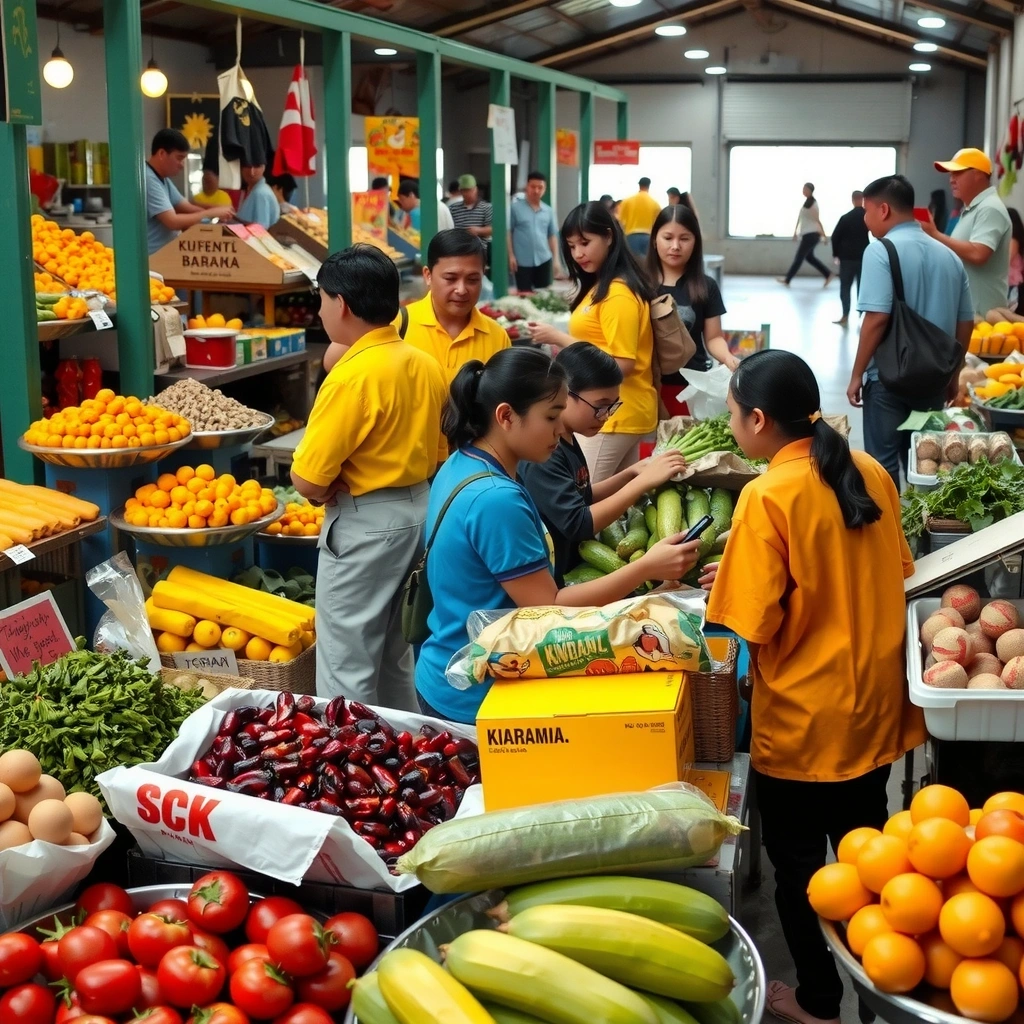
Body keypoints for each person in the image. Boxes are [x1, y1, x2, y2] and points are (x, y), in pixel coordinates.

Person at [706, 348, 925, 1024]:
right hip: (874, 710)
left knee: (801, 873)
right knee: (868, 857)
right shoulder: (866, 471)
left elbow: (751, 622)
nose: (734, 426)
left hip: (805, 721)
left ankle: (819, 1001)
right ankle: (887, 986)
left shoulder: (766, 495)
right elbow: (894, 568)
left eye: (735, 415)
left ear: (759, 420)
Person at [414, 347, 701, 723]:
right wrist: (646, 567)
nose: (559, 428)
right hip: (477, 693)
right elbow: (549, 606)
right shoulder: (496, 499)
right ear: (506, 416)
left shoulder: (464, 462)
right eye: (551, 416)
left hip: (454, 665)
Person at [290, 245, 448, 709]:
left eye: (321, 299)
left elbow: (307, 481)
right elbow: (437, 452)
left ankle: (353, 772)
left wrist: (326, 483)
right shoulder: (425, 363)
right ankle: (404, 764)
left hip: (365, 525)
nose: (320, 310)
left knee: (346, 663)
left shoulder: (351, 375)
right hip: (418, 511)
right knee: (394, 658)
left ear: (341, 304)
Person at [521, 344, 690, 583]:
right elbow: (578, 523)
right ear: (563, 394)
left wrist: (630, 474)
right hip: (554, 577)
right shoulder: (544, 452)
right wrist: (640, 483)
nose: (606, 415)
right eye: (600, 406)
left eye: (613, 406)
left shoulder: (569, 436)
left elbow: (582, 495)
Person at [847, 174, 973, 489]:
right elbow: (966, 321)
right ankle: (923, 530)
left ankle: (890, 535)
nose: (865, 219)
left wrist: (856, 374)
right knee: (925, 462)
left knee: (883, 467)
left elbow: (876, 318)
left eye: (867, 210)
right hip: (932, 381)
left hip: (888, 381)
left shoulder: (879, 251)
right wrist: (953, 375)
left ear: (884, 210)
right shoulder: (949, 256)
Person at [528, 201, 658, 482]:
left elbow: (622, 364)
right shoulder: (602, 286)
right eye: (572, 246)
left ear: (609, 236)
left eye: (585, 243)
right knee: (619, 504)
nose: (578, 253)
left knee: (585, 503)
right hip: (610, 413)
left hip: (612, 414)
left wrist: (558, 337)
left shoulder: (618, 294)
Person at [645, 204, 736, 417]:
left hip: (690, 388)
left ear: (695, 242)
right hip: (646, 387)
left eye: (684, 239)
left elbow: (713, 338)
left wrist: (729, 359)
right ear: (654, 240)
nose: (675, 246)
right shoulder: (639, 285)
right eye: (668, 238)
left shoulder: (706, 286)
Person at [925, 148, 1011, 318]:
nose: (951, 180)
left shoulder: (990, 208)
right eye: (950, 175)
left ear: (978, 174)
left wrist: (935, 234)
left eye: (957, 173)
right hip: (970, 313)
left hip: (983, 315)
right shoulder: (973, 209)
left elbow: (979, 253)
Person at [146, 129, 233, 255]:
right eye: (179, 158)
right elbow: (172, 221)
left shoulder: (163, 179)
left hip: (166, 255)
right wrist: (211, 213)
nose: (182, 165)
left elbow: (186, 207)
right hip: (153, 258)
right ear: (162, 153)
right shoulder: (148, 179)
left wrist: (218, 213)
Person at [508, 170, 565, 292]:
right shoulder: (515, 208)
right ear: (526, 187)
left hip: (544, 258)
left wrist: (556, 260)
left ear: (544, 189)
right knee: (524, 295)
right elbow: (509, 233)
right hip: (521, 260)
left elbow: (552, 235)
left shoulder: (548, 211)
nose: (536, 191)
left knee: (543, 295)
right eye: (533, 186)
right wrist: (511, 255)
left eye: (540, 187)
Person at [778, 183, 833, 287]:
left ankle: (787, 279)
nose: (803, 190)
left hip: (812, 235)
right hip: (807, 234)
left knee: (799, 257)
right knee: (809, 257)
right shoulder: (806, 203)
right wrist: (795, 232)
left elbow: (817, 221)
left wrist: (824, 236)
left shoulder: (813, 204)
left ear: (810, 190)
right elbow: (800, 219)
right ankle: (828, 274)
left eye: (805, 189)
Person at [829, 191, 870, 327]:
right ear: (863, 200)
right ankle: (862, 315)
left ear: (852, 200)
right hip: (863, 256)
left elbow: (835, 236)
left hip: (846, 258)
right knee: (862, 287)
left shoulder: (845, 218)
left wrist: (836, 253)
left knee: (845, 287)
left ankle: (845, 315)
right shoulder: (868, 216)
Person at [617, 176, 662, 256]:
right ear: (649, 185)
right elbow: (658, 224)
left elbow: (621, 223)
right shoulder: (655, 203)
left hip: (631, 236)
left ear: (639, 185)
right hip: (648, 236)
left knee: (632, 263)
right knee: (647, 264)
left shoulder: (627, 201)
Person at [449, 173, 492, 241]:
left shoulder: (486, 207)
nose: (468, 193)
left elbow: (492, 229)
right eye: (465, 190)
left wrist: (479, 230)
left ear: (476, 189)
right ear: (460, 191)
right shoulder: (453, 208)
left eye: (470, 190)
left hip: (480, 248)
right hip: (458, 246)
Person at [236, 163, 280, 229]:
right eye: (247, 166)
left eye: (256, 166)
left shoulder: (260, 193)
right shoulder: (253, 190)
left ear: (263, 168)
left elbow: (261, 228)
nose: (251, 172)